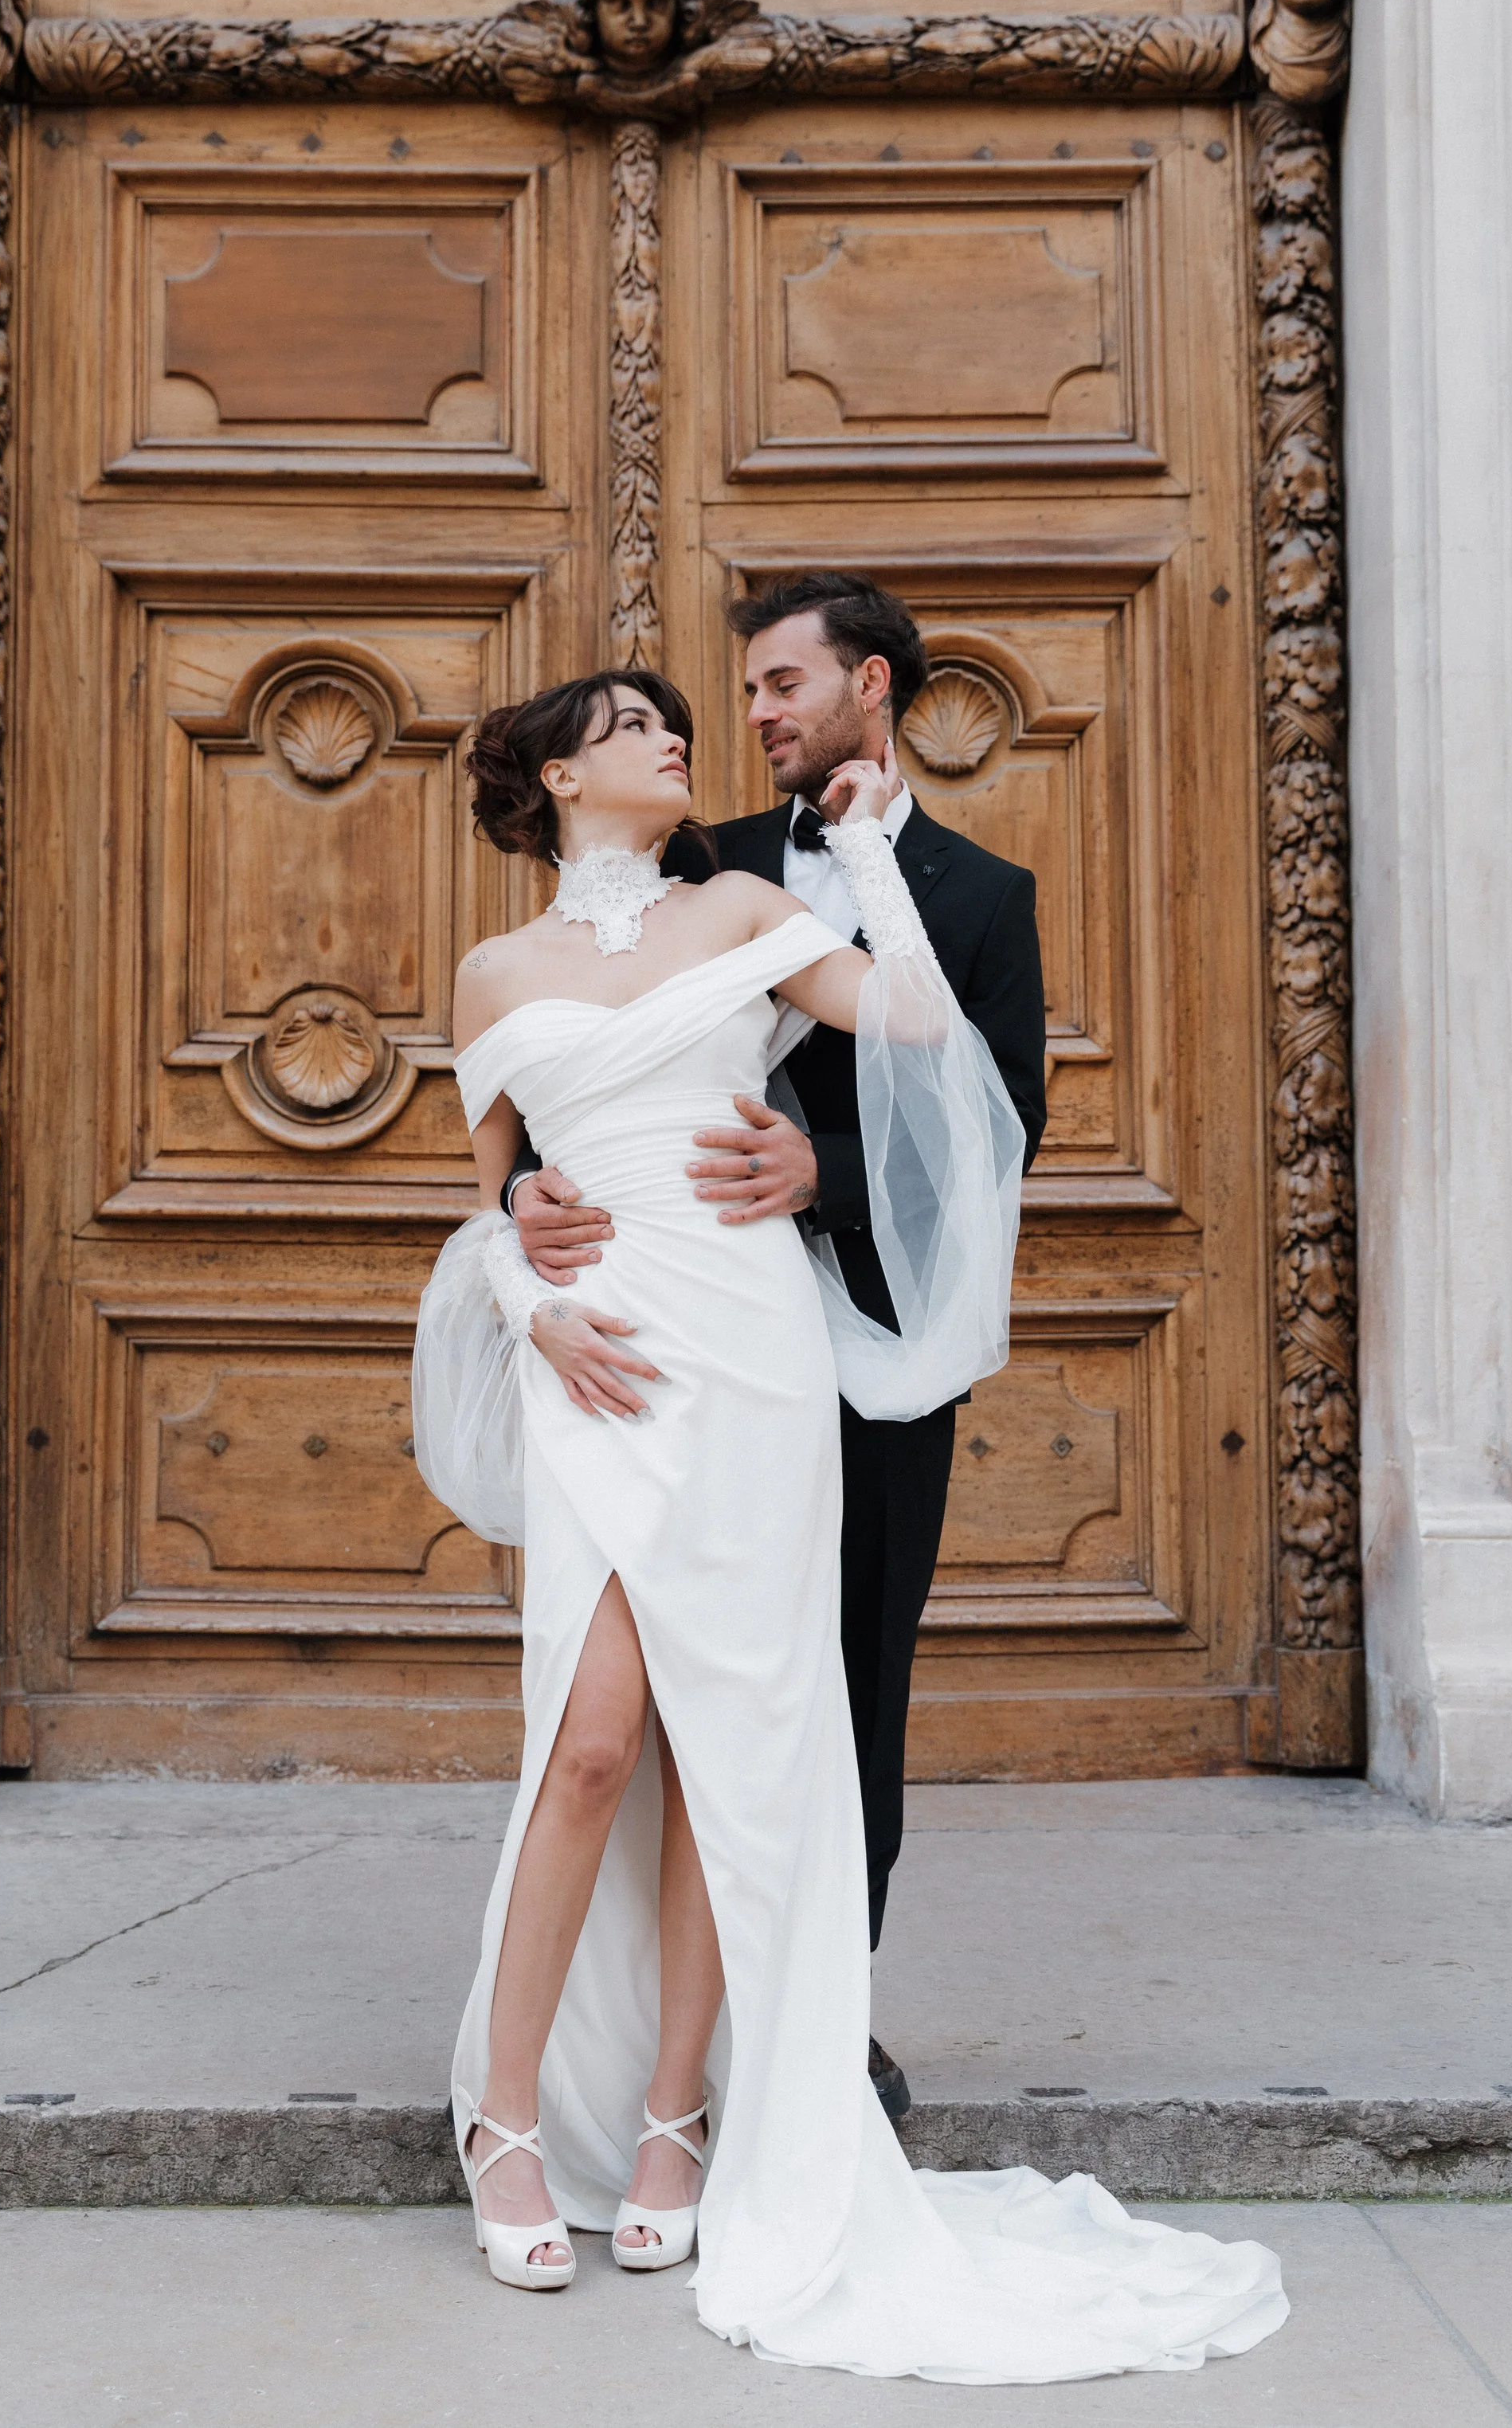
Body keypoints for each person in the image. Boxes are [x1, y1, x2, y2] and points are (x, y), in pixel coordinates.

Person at [411, 665, 1287, 2379]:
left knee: (738, 1739)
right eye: (634, 722)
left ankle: (678, 2111)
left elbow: (909, 1027)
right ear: (554, 772)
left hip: (745, 1348)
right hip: (600, 1359)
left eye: (684, 717)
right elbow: (494, 1197)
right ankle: (502, 2113)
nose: (677, 736)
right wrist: (533, 1306)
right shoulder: (491, 972)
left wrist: (874, 856)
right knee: (589, 1744)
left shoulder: (744, 902)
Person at [508, 574, 1046, 2121]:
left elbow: (1002, 1116)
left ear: (866, 686)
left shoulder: (977, 893)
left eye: (778, 685)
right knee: (655, 1691)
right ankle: (642, 2033)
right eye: (743, 692)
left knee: (845, 1677)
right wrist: (521, 1203)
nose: (750, 715)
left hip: (871, 1330)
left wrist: (825, 1169)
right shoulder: (707, 862)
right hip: (684, 1324)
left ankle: (826, 2006)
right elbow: (570, 1051)